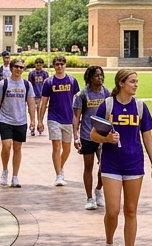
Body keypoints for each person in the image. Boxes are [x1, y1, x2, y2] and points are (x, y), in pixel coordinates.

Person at [91, 68, 152, 246]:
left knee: (131, 211)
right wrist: (107, 139)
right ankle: (109, 242)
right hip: (111, 163)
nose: (136, 85)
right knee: (112, 211)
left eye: (137, 81)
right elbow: (93, 134)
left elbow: (147, 136)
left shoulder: (140, 106)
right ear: (121, 83)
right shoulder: (108, 105)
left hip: (134, 163)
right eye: (132, 81)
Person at [0, 58, 35, 187]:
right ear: (11, 68)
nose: (19, 69)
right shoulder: (3, 84)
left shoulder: (27, 85)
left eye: (21, 67)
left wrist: (33, 119)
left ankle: (15, 176)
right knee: (6, 146)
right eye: (16, 66)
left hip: (20, 120)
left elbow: (31, 103)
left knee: (17, 148)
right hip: (6, 119)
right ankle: (5, 170)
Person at [73, 65, 110, 210]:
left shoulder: (106, 93)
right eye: (96, 76)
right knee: (88, 167)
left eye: (101, 75)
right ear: (89, 78)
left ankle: (99, 189)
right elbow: (76, 116)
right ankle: (89, 198)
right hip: (87, 135)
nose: (99, 78)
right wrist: (75, 136)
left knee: (104, 166)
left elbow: (109, 114)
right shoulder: (83, 95)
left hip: (103, 136)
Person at [43, 55, 80, 186]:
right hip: (54, 117)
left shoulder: (72, 81)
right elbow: (44, 101)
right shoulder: (49, 82)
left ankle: (60, 167)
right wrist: (40, 120)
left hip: (68, 118)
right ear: (54, 66)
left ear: (65, 65)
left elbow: (78, 100)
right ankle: (58, 175)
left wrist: (78, 118)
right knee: (56, 146)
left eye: (62, 64)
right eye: (57, 64)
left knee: (67, 148)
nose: (59, 66)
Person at [28, 56, 49, 136]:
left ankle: (40, 125)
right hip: (33, 95)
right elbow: (30, 84)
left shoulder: (45, 74)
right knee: (32, 112)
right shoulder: (32, 73)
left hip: (42, 96)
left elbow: (47, 85)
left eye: (40, 64)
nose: (38, 65)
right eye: (37, 64)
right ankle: (32, 126)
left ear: (42, 65)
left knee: (40, 112)